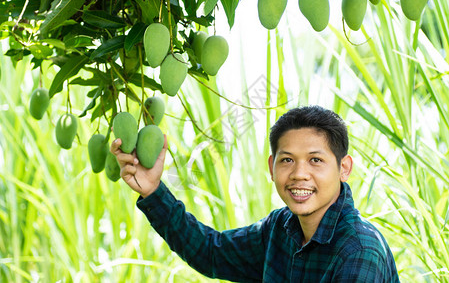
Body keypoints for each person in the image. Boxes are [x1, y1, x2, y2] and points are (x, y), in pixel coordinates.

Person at [110, 105, 400, 282]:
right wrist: (152, 190)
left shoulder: (360, 251)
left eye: (315, 160)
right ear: (272, 166)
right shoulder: (280, 228)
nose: (299, 173)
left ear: (344, 168)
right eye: (287, 160)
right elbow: (212, 253)